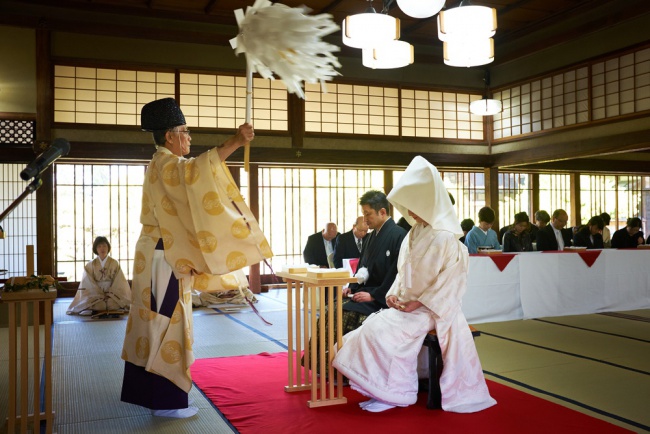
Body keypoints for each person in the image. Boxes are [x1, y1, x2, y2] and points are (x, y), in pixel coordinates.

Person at [121, 98, 272, 418]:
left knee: (158, 321)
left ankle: (156, 396)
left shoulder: (161, 163)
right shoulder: (165, 163)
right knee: (166, 324)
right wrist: (235, 141)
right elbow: (195, 173)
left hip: (161, 253)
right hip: (163, 256)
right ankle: (166, 402)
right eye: (185, 132)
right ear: (169, 136)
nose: (189, 138)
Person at [333, 156, 496, 413]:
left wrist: (417, 303)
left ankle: (395, 393)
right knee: (371, 326)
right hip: (409, 305)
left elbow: (449, 285)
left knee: (385, 333)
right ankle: (381, 389)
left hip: (433, 310)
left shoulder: (447, 238)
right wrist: (393, 296)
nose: (410, 212)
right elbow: (403, 272)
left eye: (415, 205)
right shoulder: (414, 233)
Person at [303, 190, 406, 375]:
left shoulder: (399, 235)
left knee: (343, 315)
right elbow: (362, 266)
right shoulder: (371, 237)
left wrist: (374, 295)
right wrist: (351, 287)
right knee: (330, 308)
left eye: (368, 214)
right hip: (364, 291)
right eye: (364, 214)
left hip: (381, 296)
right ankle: (323, 363)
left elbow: (397, 272)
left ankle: (343, 369)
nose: (365, 219)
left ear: (382, 212)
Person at [67, 236, 131, 315]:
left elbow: (119, 281)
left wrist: (111, 294)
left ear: (108, 247)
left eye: (104, 246)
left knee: (111, 304)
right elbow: (88, 282)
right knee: (100, 305)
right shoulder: (91, 264)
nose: (102, 248)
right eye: (99, 246)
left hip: (111, 293)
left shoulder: (114, 263)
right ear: (96, 249)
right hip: (95, 293)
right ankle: (91, 308)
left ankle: (92, 309)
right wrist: (99, 294)